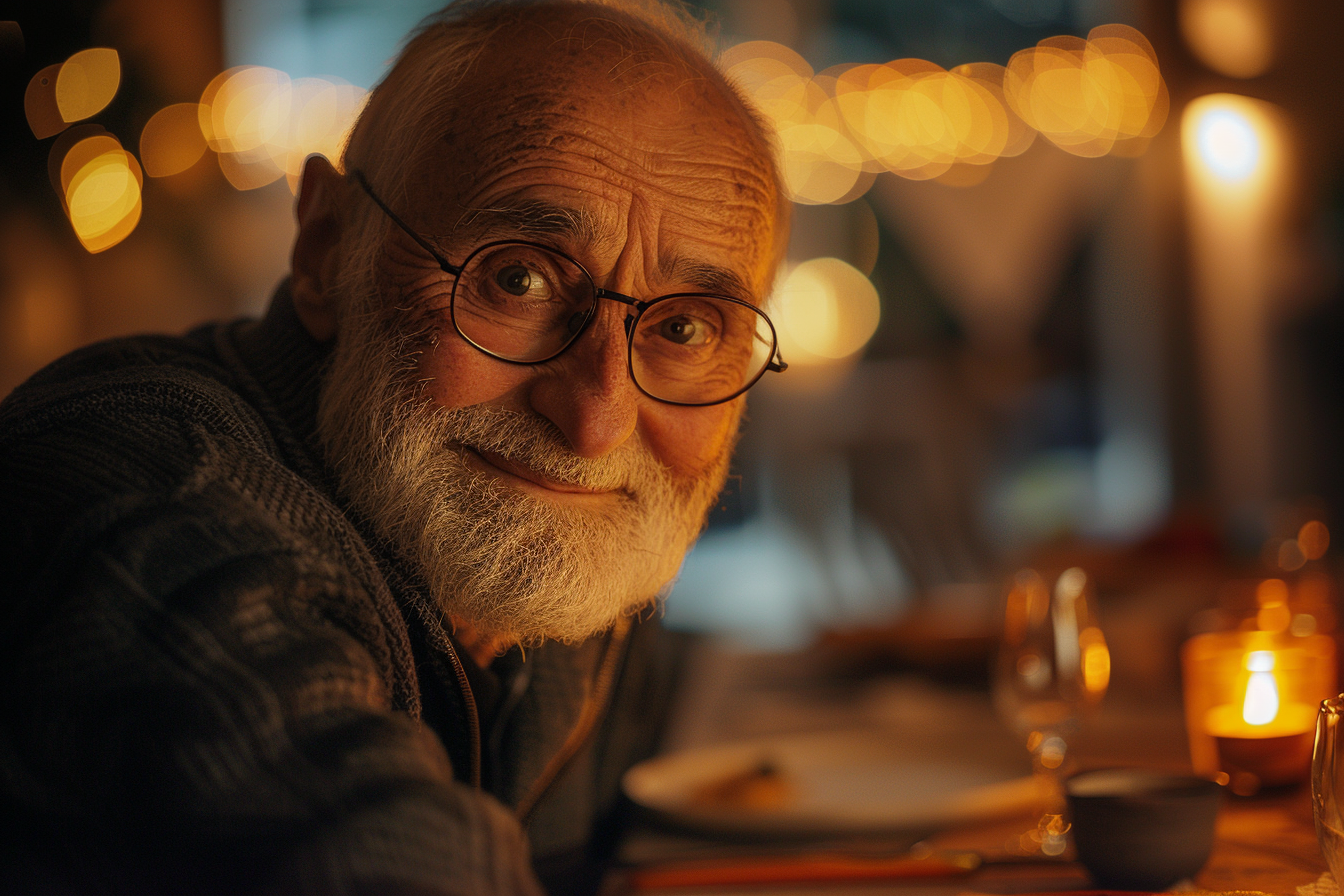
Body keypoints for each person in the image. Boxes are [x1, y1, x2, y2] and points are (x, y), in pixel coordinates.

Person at [0, 0, 788, 892]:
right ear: (326, 249)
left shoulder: (511, 553)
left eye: (685, 328)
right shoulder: (156, 495)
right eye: (518, 278)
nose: (597, 419)